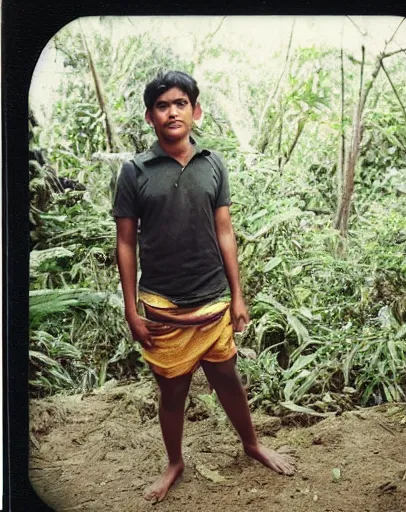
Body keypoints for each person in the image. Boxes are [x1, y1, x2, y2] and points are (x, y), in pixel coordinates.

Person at [113, 70, 295, 503]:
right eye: (162, 105)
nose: (171, 111)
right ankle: (175, 462)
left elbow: (225, 230)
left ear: (195, 111)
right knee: (172, 390)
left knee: (227, 376)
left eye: (180, 103)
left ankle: (251, 445)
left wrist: (237, 295)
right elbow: (124, 242)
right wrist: (130, 309)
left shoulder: (213, 163)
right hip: (163, 305)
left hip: (213, 298)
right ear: (149, 117)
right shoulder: (134, 171)